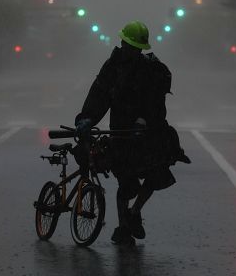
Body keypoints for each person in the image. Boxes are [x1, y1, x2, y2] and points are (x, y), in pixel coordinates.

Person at [74, 20, 190, 245]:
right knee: (126, 182)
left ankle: (135, 212)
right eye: (129, 46)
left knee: (156, 173)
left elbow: (155, 103)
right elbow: (100, 93)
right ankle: (123, 227)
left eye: (135, 47)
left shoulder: (151, 70)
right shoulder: (113, 66)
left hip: (147, 133)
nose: (131, 50)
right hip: (121, 133)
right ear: (122, 43)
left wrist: (144, 121)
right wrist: (87, 118)